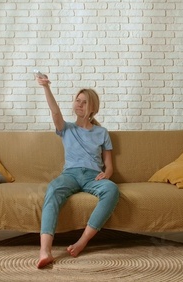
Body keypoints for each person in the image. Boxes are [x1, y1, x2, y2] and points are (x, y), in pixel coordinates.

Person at [36, 74, 120, 269]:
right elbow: (55, 113)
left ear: (93, 108)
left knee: (112, 190)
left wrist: (105, 175)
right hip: (71, 174)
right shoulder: (67, 128)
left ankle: (82, 242)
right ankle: (44, 251)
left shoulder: (102, 133)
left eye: (84, 102)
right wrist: (46, 87)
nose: (79, 104)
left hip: (93, 176)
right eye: (77, 100)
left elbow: (109, 165)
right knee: (53, 190)